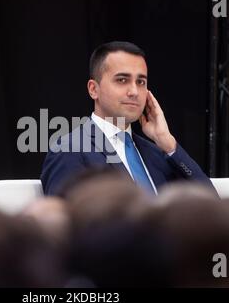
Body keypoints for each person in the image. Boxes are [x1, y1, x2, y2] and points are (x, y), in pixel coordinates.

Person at [41, 41, 214, 195]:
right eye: (122, 80)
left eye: (141, 82)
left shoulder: (158, 153)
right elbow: (67, 227)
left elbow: (211, 207)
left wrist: (168, 144)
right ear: (94, 89)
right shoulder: (70, 151)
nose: (134, 92)